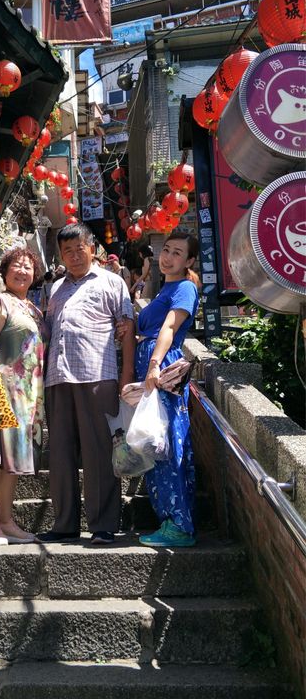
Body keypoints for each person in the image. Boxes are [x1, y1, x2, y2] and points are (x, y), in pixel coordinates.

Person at [38, 223, 135, 545]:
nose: (74, 255)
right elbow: (49, 331)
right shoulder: (56, 288)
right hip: (57, 376)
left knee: (98, 452)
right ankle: (64, 523)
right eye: (67, 251)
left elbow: (127, 329)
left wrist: (126, 378)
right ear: (61, 256)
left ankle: (103, 524)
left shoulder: (112, 282)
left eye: (80, 248)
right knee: (61, 454)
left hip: (98, 374)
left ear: (92, 248)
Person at [0, 247, 47, 545]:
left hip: (27, 397)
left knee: (14, 461)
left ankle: (6, 521)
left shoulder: (34, 310)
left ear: (35, 274)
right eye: (16, 265)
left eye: (28, 266)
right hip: (1, 390)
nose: (22, 270)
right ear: (5, 272)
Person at [134, 232, 199, 548]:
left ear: (188, 261)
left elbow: (170, 328)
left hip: (163, 371)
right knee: (154, 442)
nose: (169, 256)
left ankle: (179, 525)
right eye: (167, 250)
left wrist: (154, 364)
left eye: (178, 253)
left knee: (167, 443)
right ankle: (169, 521)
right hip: (152, 369)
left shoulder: (185, 288)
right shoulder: (164, 289)